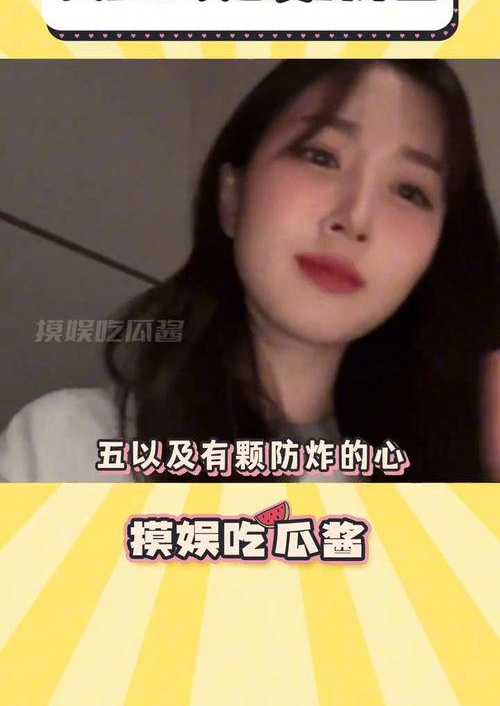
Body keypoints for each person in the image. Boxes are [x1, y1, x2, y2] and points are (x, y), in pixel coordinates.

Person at [1, 60, 498, 482]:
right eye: (321, 156)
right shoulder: (65, 447)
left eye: (410, 190)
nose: (356, 218)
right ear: (232, 197)